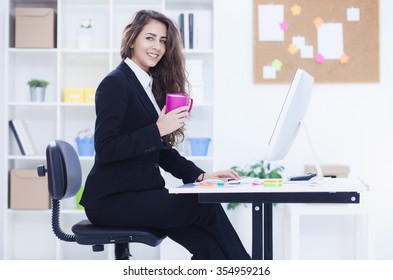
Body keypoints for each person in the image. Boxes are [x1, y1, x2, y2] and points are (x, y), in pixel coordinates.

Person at [80, 10, 250, 260]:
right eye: (150, 38)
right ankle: (249, 267)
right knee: (205, 205)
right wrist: (158, 129)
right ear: (132, 39)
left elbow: (160, 152)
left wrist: (201, 175)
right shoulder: (115, 83)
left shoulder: (145, 85)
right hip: (112, 201)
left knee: (209, 249)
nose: (157, 47)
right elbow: (106, 148)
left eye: (163, 41)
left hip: (142, 196)